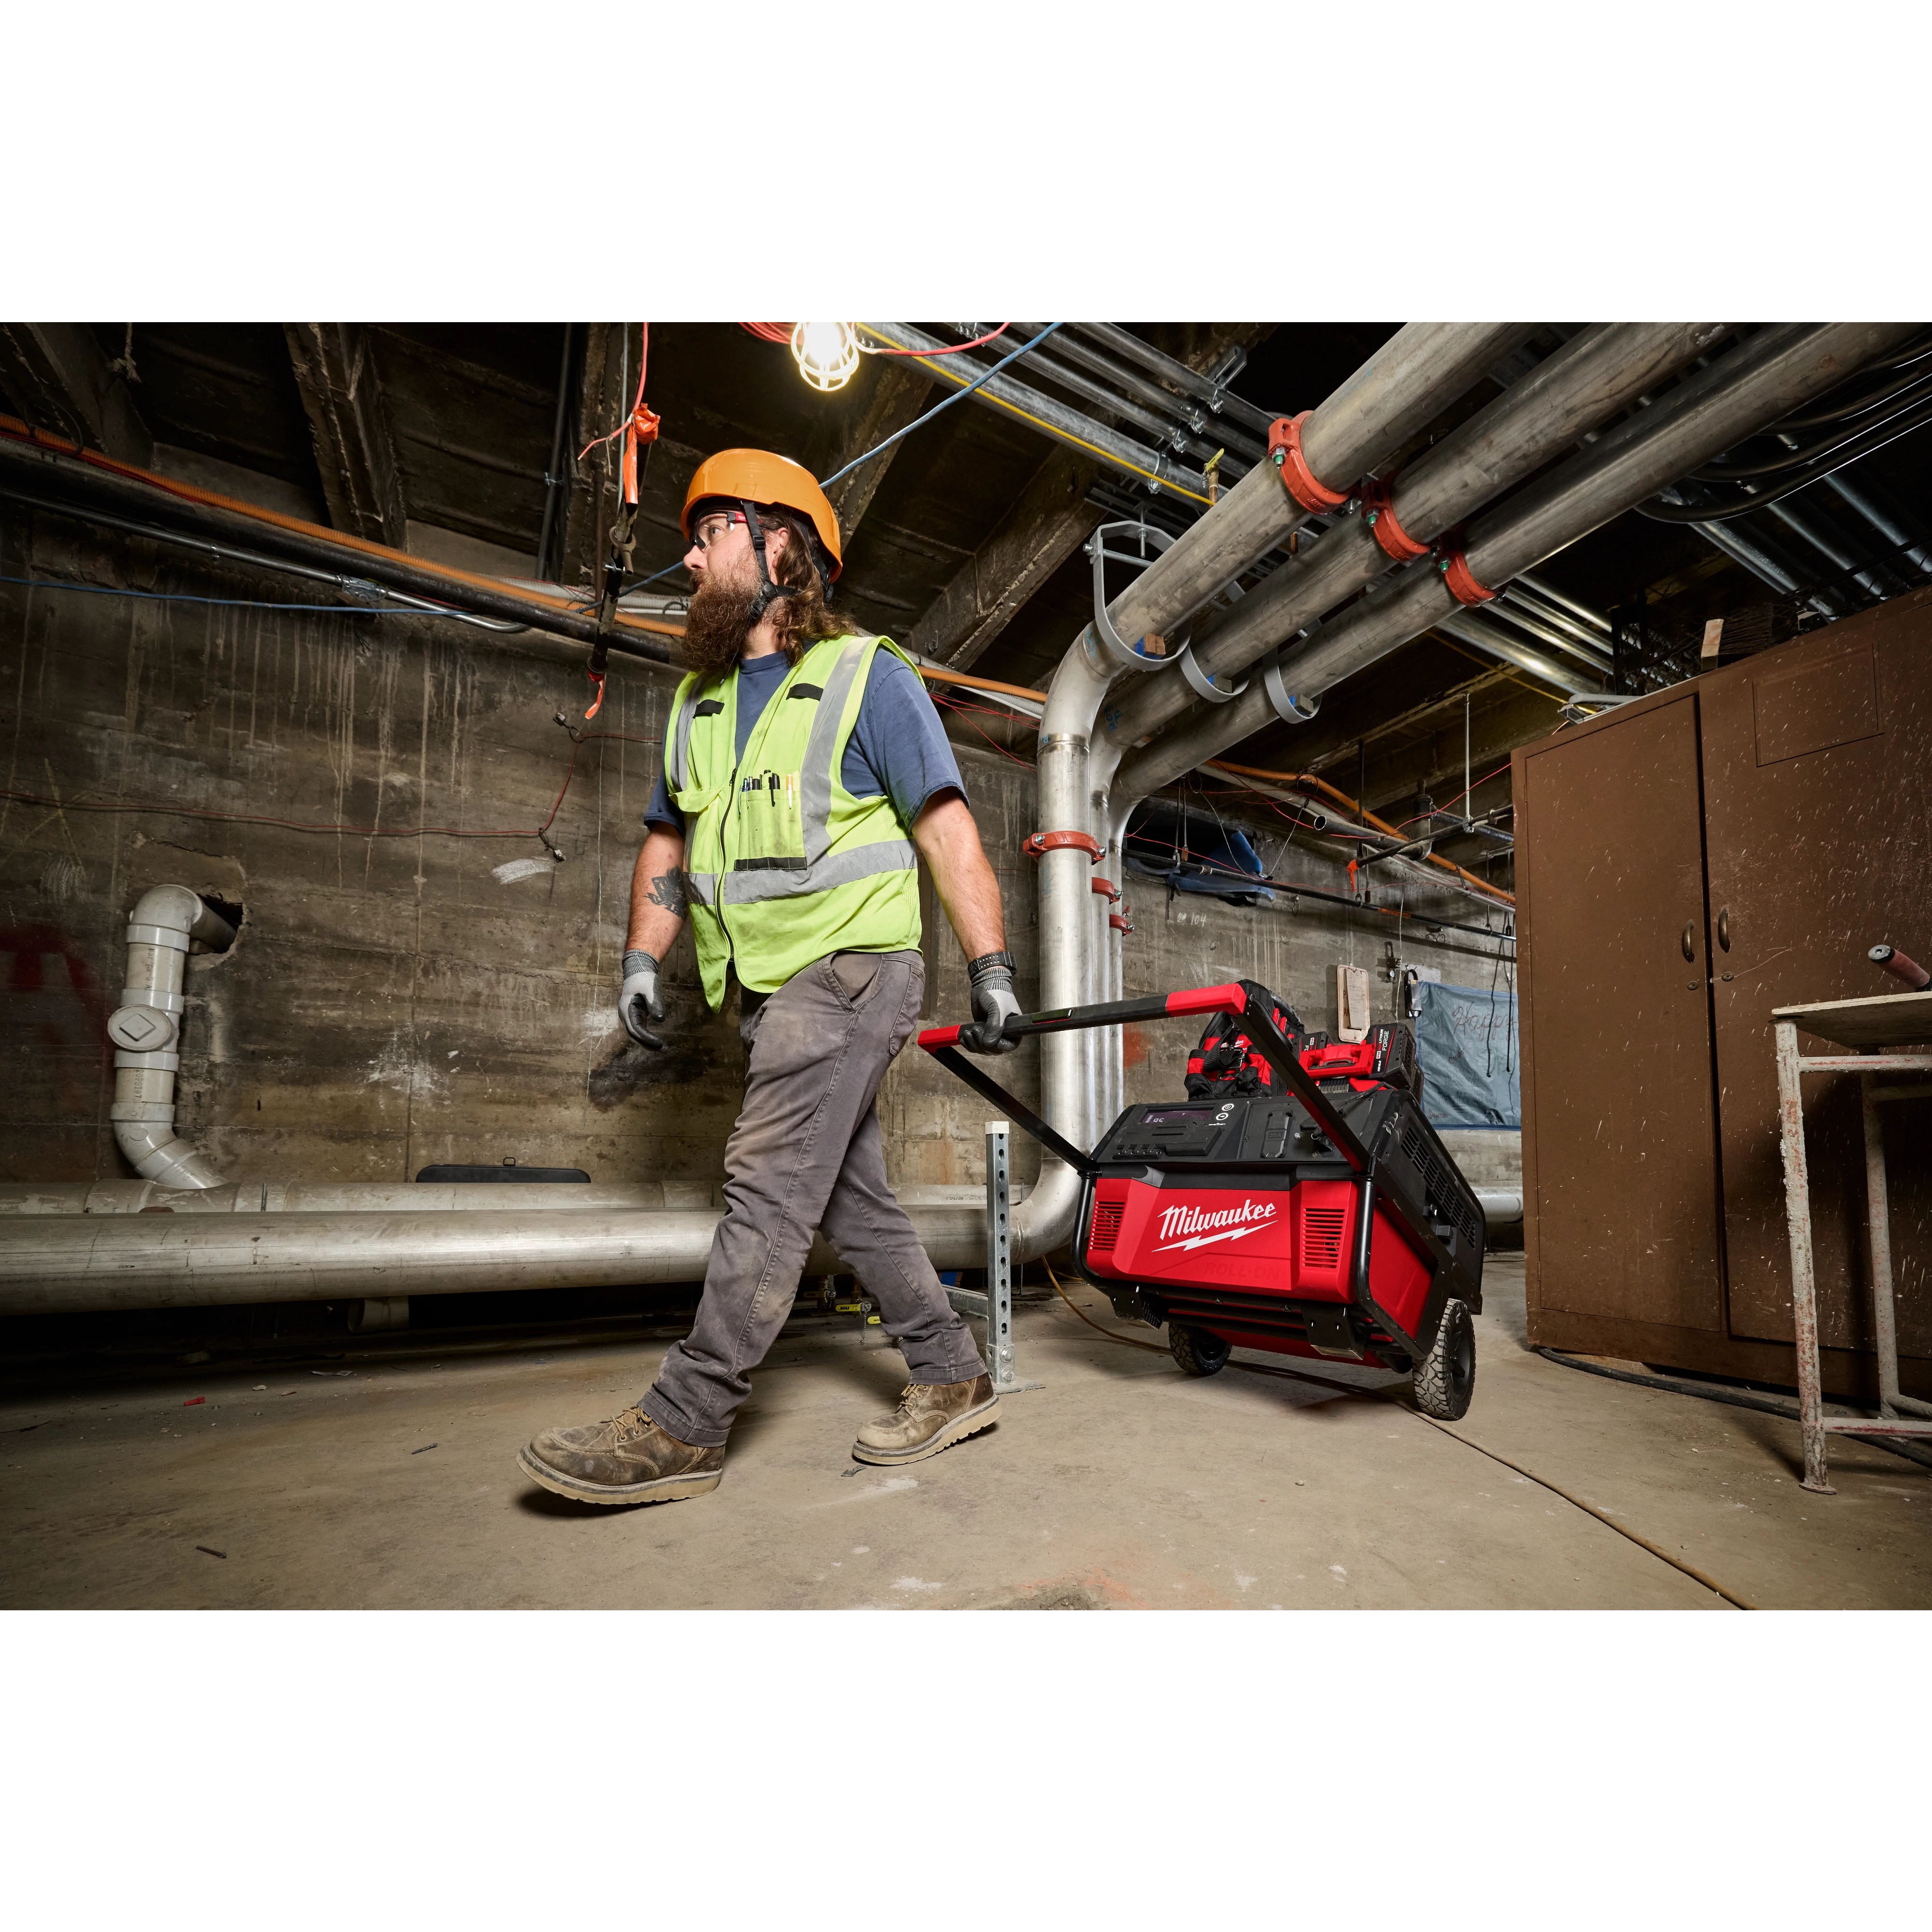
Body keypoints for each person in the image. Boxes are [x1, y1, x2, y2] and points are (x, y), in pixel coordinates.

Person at [519, 448, 1023, 1506]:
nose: (689, 553)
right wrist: (640, 961)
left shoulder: (864, 674)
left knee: (763, 1181)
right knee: (847, 1195)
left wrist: (989, 965)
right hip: (762, 987)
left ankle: (685, 1419)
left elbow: (946, 827)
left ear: (776, 542)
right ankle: (952, 1368)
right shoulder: (696, 702)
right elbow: (667, 843)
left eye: (708, 533)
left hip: (849, 965)